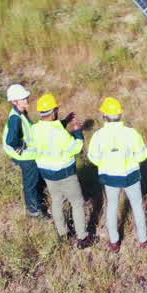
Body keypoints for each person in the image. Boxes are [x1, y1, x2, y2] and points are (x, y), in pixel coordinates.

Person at [30, 93, 94, 248]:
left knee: (57, 201)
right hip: (65, 174)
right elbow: (76, 148)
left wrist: (65, 121)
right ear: (53, 111)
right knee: (77, 203)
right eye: (56, 109)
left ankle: (63, 233)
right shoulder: (59, 133)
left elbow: (50, 132)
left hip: (47, 174)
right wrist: (78, 131)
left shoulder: (34, 129)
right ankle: (82, 237)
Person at [87, 97, 147, 252]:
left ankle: (114, 242)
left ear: (104, 116)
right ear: (120, 114)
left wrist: (106, 163)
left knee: (112, 207)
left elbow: (93, 158)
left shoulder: (98, 136)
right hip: (130, 175)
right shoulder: (131, 133)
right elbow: (142, 155)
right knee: (137, 206)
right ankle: (143, 240)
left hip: (110, 177)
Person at [2, 84, 44, 218]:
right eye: (23, 98)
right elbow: (11, 140)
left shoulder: (21, 113)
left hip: (28, 154)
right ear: (15, 101)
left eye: (26, 97)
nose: (26, 100)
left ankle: (37, 202)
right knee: (30, 183)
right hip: (25, 156)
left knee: (34, 180)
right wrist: (23, 145)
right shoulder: (15, 118)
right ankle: (34, 211)